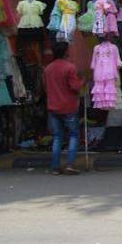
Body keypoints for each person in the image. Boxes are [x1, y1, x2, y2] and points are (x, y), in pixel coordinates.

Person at [43, 40, 84, 175]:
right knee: (73, 135)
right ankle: (70, 164)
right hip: (68, 106)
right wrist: (82, 81)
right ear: (66, 52)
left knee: (57, 137)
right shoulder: (69, 67)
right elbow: (75, 87)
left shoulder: (48, 69)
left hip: (53, 106)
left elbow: (45, 87)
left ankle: (55, 166)